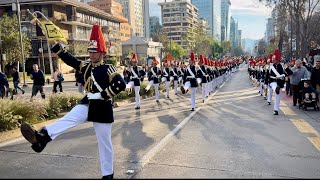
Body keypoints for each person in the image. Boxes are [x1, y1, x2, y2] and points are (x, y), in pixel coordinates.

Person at [20, 24, 126, 179]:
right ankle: (41, 138)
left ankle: (108, 175)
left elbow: (120, 84)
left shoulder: (109, 68)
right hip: (87, 103)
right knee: (68, 118)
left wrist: (102, 95)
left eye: (94, 51)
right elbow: (70, 59)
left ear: (102, 52)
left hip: (102, 107)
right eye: (90, 51)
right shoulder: (86, 66)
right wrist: (55, 45)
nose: (91, 54)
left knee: (105, 144)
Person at [267, 49, 286, 115]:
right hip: (273, 81)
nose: (272, 60)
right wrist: (267, 81)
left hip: (280, 83)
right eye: (272, 59)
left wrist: (283, 75)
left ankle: (276, 110)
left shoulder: (282, 66)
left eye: (274, 59)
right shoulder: (271, 66)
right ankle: (275, 89)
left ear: (277, 60)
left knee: (277, 97)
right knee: (275, 87)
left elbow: (287, 73)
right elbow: (267, 74)